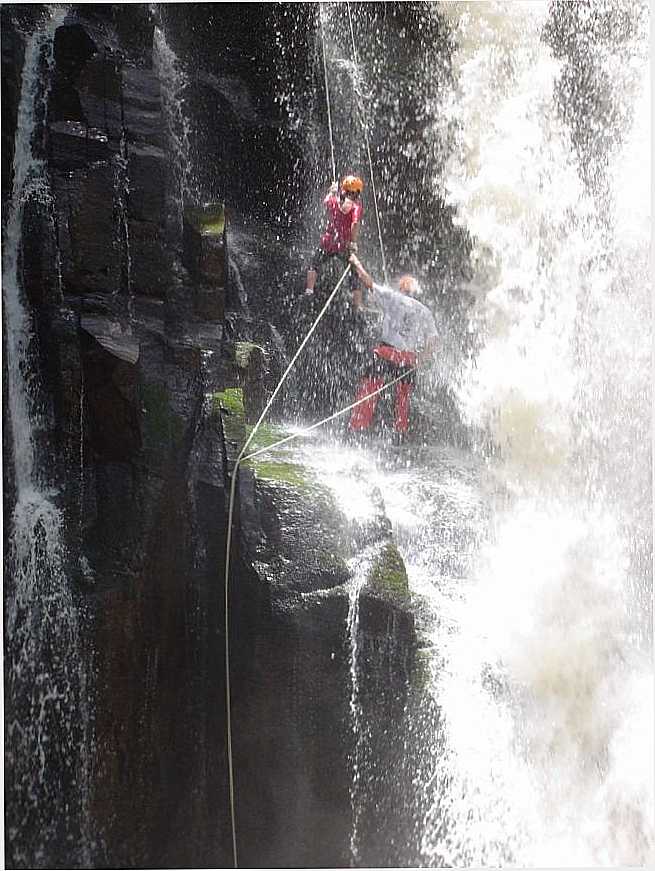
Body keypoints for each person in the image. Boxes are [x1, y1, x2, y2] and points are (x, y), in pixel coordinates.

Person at [347, 253, 438, 441]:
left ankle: (358, 427)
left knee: (370, 387)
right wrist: (422, 358)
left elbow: (367, 281)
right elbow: (434, 341)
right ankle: (400, 432)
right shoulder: (425, 311)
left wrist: (355, 261)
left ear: (401, 288)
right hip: (408, 359)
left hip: (387, 352)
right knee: (403, 397)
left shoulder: (393, 297)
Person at [305, 175, 364, 296]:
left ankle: (309, 291)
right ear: (356, 192)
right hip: (343, 245)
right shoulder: (355, 207)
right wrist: (353, 242)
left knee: (314, 264)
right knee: (354, 273)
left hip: (329, 241)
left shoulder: (333, 201)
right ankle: (357, 306)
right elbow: (355, 223)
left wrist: (332, 192)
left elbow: (326, 201)